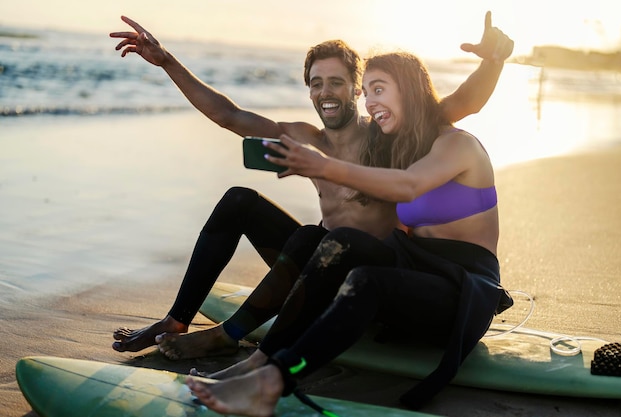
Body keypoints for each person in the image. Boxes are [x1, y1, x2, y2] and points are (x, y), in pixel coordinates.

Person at [109, 13, 514, 358]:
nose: (326, 92)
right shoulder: (305, 138)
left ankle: (230, 338)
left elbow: (462, 102)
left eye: (336, 82)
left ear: (357, 88)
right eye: (317, 83)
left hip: (372, 275)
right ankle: (177, 319)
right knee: (240, 202)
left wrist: (493, 61)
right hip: (318, 266)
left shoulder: (390, 133)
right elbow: (229, 116)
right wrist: (166, 62)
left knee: (307, 237)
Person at [185, 50, 511, 415]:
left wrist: (494, 60)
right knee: (339, 242)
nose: (370, 103)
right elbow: (229, 116)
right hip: (416, 271)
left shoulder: (458, 145)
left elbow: (407, 185)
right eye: (368, 92)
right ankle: (261, 362)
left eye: (379, 89)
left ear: (409, 90)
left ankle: (276, 378)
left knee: (367, 280)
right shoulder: (402, 144)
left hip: (462, 292)